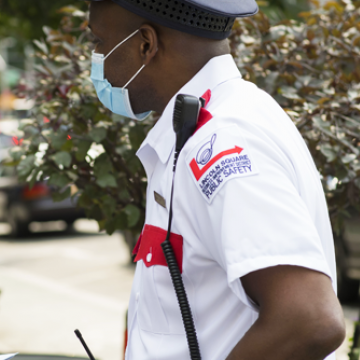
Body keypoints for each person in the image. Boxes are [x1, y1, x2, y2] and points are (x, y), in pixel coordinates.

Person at [86, 1, 346, 359]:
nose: (95, 56)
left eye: (98, 41)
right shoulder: (209, 124)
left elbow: (309, 320)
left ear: (146, 44)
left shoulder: (223, 142)